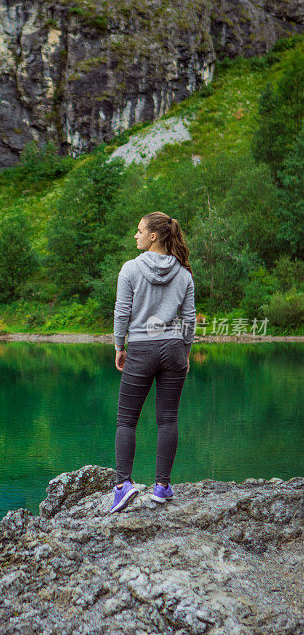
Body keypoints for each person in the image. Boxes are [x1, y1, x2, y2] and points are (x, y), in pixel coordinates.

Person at [110, 212, 196, 513]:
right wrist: (184, 350)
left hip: (141, 349)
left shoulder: (130, 269)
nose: (135, 236)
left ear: (154, 236)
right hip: (173, 348)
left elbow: (122, 312)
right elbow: (189, 318)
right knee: (168, 419)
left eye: (139, 231)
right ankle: (161, 487)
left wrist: (119, 346)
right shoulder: (184, 273)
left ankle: (123, 486)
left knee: (126, 420)